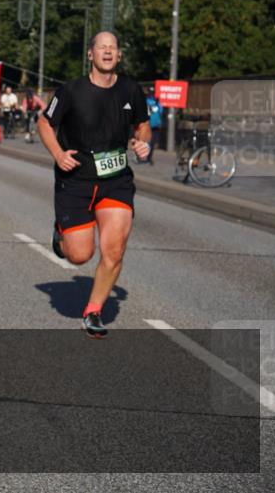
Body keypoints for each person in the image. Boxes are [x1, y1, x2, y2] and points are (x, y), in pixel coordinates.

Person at [39, 31, 150, 338]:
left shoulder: (131, 90)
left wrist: (142, 143)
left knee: (114, 251)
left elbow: (142, 126)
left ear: (119, 55)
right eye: (101, 47)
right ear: (91, 54)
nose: (107, 52)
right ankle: (61, 232)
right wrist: (58, 154)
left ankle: (93, 310)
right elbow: (45, 123)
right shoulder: (71, 91)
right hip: (75, 179)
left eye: (113, 47)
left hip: (116, 181)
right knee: (79, 256)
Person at [145, 86, 163, 164]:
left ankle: (149, 157)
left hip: (155, 125)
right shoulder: (146, 101)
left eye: (153, 93)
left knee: (152, 142)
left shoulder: (157, 101)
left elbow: (161, 111)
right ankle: (142, 155)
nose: (152, 94)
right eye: (151, 93)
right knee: (146, 141)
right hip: (148, 124)